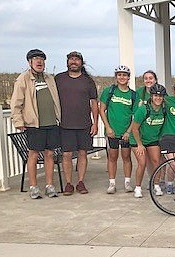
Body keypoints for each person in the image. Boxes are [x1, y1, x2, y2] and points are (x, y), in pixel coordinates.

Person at [10, 49, 61, 199]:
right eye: (36, 59)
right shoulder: (23, 79)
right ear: (30, 62)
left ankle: (49, 186)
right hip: (34, 124)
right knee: (33, 154)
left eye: (41, 59)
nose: (39, 62)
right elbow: (16, 103)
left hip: (52, 122)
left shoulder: (49, 78)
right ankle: (33, 187)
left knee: (50, 154)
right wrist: (18, 121)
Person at [55, 51, 99, 195]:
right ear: (68, 62)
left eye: (76, 59)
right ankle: (68, 183)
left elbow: (94, 103)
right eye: (71, 59)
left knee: (82, 154)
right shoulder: (59, 79)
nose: (74, 62)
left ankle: (80, 182)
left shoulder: (88, 81)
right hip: (64, 124)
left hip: (84, 124)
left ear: (81, 62)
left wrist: (95, 123)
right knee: (66, 155)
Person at [99, 65, 135, 194]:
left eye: (124, 75)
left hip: (125, 132)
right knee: (112, 157)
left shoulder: (132, 95)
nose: (122, 77)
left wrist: (128, 131)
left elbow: (135, 116)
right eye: (119, 75)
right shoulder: (109, 91)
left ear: (128, 77)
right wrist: (108, 127)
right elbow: (101, 110)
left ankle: (127, 182)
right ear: (116, 77)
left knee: (126, 156)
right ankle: (112, 183)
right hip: (112, 131)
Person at [130, 83, 166, 198]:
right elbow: (134, 128)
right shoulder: (143, 109)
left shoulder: (163, 110)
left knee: (156, 162)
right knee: (142, 162)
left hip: (153, 139)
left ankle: (156, 185)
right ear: (151, 96)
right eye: (155, 96)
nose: (158, 98)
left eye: (160, 96)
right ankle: (138, 187)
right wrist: (140, 144)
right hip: (137, 139)